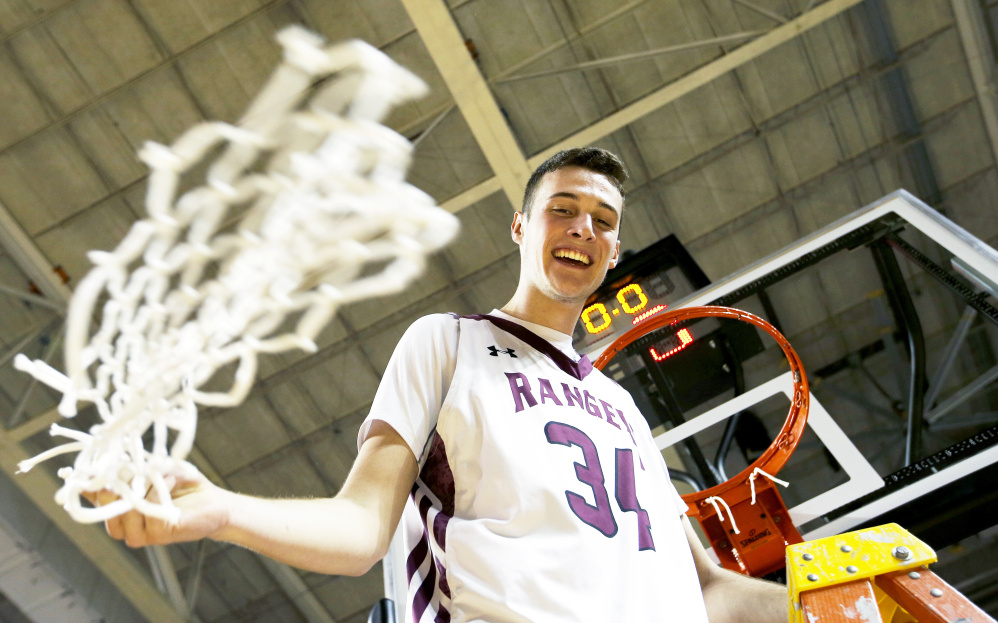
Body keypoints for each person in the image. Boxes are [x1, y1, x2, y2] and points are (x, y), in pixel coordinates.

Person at [97, 147, 788, 622]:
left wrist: (854, 594)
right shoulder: (448, 342)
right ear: (521, 227)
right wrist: (224, 510)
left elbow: (707, 589)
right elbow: (363, 524)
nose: (584, 227)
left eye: (604, 222)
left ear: (612, 252)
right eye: (563, 208)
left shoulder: (622, 407)